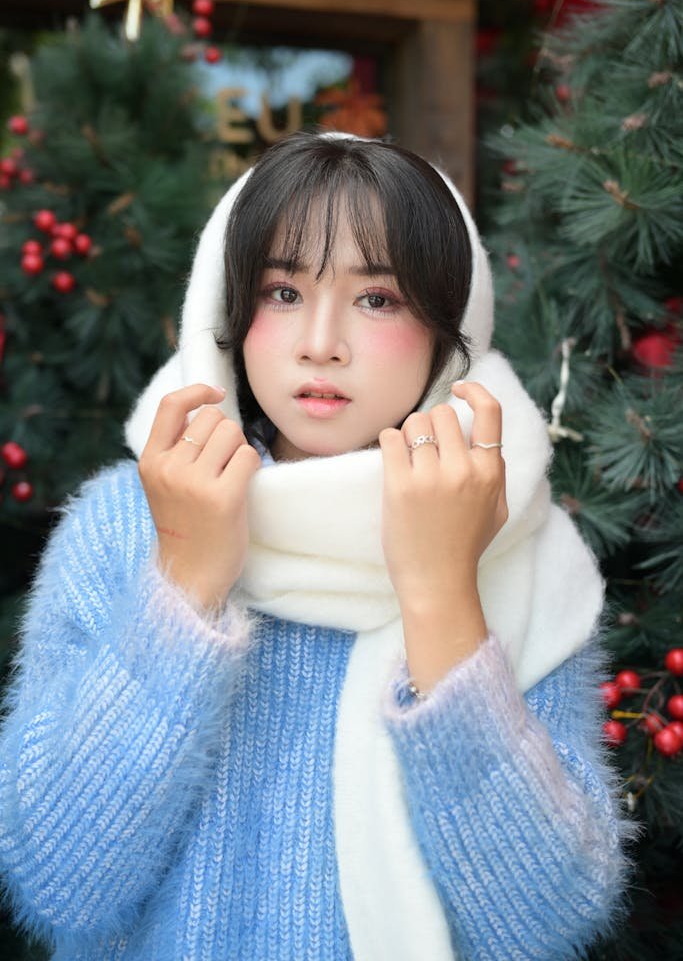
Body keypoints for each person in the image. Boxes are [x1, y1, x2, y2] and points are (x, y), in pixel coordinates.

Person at [0, 131, 632, 961]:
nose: (320, 341)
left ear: (450, 330)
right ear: (227, 312)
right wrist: (183, 581)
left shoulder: (508, 540)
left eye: (377, 298)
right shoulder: (131, 522)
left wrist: (441, 594)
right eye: (282, 291)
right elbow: (58, 882)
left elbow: (541, 924)